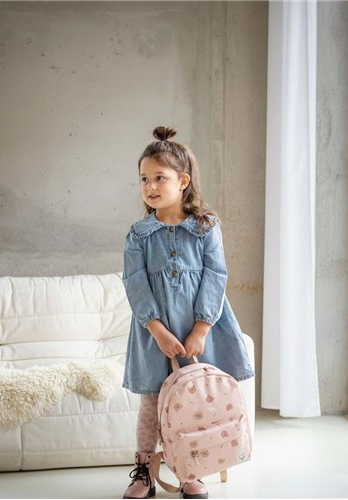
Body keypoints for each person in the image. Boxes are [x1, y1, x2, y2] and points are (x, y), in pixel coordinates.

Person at [122, 126, 255, 499]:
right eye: (144, 179)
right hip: (155, 332)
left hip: (199, 329)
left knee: (197, 399)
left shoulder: (205, 227)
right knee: (152, 401)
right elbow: (134, 282)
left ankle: (192, 468)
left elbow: (216, 276)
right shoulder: (138, 235)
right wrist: (157, 330)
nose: (150, 186)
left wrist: (200, 329)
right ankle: (144, 473)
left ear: (182, 181)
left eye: (159, 178)